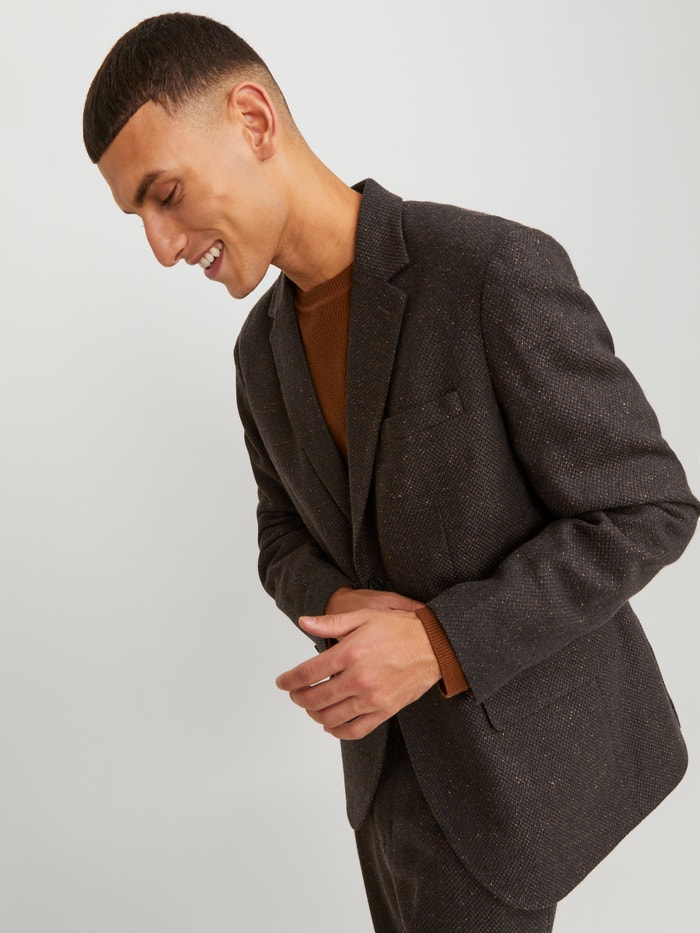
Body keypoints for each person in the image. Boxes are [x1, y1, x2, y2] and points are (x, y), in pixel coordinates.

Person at [84, 12, 698, 932]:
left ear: (253, 120)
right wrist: (342, 604)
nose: (162, 245)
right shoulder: (258, 355)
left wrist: (441, 641)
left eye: (164, 195)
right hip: (382, 787)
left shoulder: (490, 272)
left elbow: (648, 507)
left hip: (514, 782)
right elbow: (279, 537)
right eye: (139, 218)